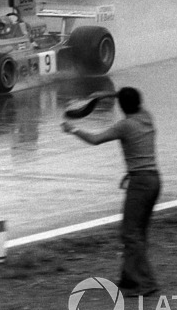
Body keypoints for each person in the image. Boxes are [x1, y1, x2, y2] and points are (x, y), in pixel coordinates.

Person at [61, 87, 160, 297]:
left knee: (130, 234)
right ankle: (129, 279)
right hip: (153, 180)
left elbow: (95, 139)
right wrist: (110, 95)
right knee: (138, 233)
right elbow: (131, 100)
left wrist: (72, 129)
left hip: (140, 184)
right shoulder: (146, 117)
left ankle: (146, 283)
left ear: (122, 105)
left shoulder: (125, 126)